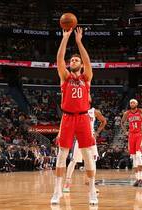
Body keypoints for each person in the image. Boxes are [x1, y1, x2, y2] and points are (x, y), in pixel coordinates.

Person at [51, 27, 98, 205]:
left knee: (87, 155)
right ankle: (57, 191)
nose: (73, 61)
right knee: (62, 154)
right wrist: (65, 38)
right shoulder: (65, 77)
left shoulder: (87, 78)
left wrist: (79, 42)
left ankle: (92, 190)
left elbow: (88, 61)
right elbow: (58, 60)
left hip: (83, 118)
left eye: (76, 59)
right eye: (72, 59)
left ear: (81, 64)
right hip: (68, 118)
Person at [62, 107, 107, 193]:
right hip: (80, 138)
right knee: (74, 161)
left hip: (90, 138)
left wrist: (97, 133)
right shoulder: (77, 110)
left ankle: (92, 185)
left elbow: (104, 121)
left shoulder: (95, 111)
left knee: (93, 162)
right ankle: (67, 184)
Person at [121, 99, 142, 187]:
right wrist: (126, 131)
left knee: (138, 155)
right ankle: (137, 179)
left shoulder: (141, 111)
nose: (131, 104)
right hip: (131, 136)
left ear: (137, 104)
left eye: (133, 102)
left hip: (139, 134)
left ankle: (140, 179)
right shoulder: (127, 113)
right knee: (133, 158)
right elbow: (122, 122)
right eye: (130, 103)